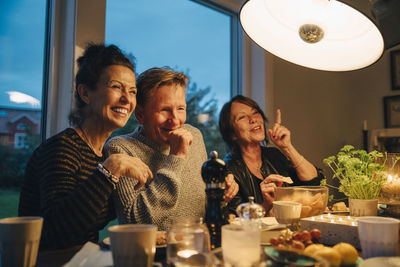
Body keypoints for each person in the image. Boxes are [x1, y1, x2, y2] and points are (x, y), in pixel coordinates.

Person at [18, 44, 152, 251]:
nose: (127, 99)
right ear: (85, 93)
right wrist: (110, 170)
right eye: (116, 87)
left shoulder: (102, 154)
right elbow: (56, 232)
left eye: (132, 91)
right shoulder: (61, 149)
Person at [105, 67, 238, 231]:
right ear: (140, 114)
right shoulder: (120, 148)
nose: (175, 121)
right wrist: (176, 157)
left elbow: (203, 206)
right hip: (156, 254)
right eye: (164, 110)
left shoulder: (194, 136)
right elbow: (135, 223)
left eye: (180, 109)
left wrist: (219, 193)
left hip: (200, 246)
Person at [219, 95, 324, 215]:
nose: (253, 119)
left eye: (255, 112)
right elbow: (235, 219)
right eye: (242, 117)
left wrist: (287, 147)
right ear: (232, 133)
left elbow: (314, 184)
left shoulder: (274, 155)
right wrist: (265, 206)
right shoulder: (228, 169)